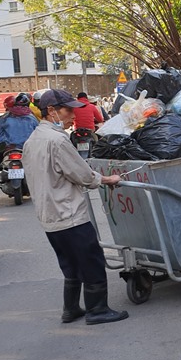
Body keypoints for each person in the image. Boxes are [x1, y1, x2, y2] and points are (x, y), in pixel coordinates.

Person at [22, 88, 127, 325]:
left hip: (48, 215)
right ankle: (97, 310)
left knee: (69, 262)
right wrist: (108, 180)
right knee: (91, 260)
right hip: (68, 213)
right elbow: (81, 174)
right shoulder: (57, 140)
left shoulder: (33, 140)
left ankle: (71, 308)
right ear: (51, 111)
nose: (73, 116)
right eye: (68, 110)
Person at [0, 93, 39, 157]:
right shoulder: (32, 118)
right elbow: (37, 134)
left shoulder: (4, 118)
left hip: (9, 149)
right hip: (28, 149)